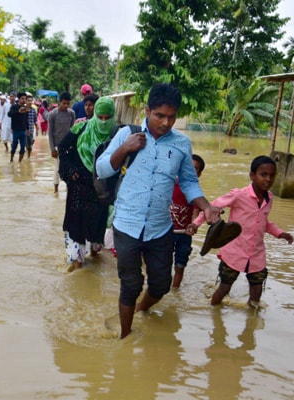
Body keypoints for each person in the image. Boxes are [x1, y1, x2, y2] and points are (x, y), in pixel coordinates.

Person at [95, 83, 221, 339]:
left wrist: (206, 207)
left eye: (172, 117)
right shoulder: (126, 134)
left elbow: (188, 182)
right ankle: (125, 337)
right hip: (127, 224)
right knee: (130, 284)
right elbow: (101, 169)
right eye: (159, 115)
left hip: (159, 227)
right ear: (147, 110)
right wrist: (125, 148)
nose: (166, 122)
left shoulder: (182, 144)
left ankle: (141, 309)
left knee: (162, 284)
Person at [193, 155, 294, 308]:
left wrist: (280, 233)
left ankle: (251, 325)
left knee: (256, 291)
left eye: (272, 175)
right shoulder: (239, 195)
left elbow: (263, 223)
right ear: (252, 175)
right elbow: (211, 207)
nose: (268, 179)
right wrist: (195, 224)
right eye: (263, 174)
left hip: (256, 255)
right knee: (224, 287)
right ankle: (213, 312)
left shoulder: (269, 198)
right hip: (234, 252)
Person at [58, 97, 116, 272]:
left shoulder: (117, 134)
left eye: (107, 117)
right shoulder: (80, 128)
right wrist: (69, 171)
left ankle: (94, 253)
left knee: (97, 224)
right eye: (100, 117)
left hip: (101, 189)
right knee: (77, 224)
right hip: (79, 187)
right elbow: (63, 148)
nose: (103, 122)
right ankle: (77, 263)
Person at [170, 154, 206, 288]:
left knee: (180, 265)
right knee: (162, 263)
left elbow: (196, 213)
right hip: (165, 232)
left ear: (199, 174)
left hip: (184, 235)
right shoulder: (169, 185)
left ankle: (174, 290)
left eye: (194, 169)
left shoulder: (195, 192)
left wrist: (193, 226)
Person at [47, 92, 76, 193]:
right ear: (60, 102)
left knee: (70, 167)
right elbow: (50, 132)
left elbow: (73, 130)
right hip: (57, 145)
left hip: (69, 145)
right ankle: (56, 190)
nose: (66, 106)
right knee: (57, 168)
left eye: (68, 104)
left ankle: (69, 189)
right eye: (64, 103)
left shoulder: (71, 113)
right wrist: (52, 149)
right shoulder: (53, 114)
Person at [8, 92, 29, 163]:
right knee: (14, 146)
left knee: (23, 147)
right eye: (22, 99)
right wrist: (18, 112)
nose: (24, 100)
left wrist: (28, 129)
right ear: (19, 99)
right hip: (16, 130)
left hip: (23, 130)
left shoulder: (26, 108)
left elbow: (26, 119)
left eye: (25, 99)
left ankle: (20, 162)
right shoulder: (14, 107)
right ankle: (11, 159)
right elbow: (9, 114)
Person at [26, 94, 38, 159]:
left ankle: (28, 156)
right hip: (24, 130)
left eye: (31, 100)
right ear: (26, 101)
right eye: (28, 100)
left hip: (31, 129)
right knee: (25, 144)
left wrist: (37, 129)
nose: (30, 102)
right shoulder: (23, 109)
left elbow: (35, 120)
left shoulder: (33, 110)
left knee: (30, 146)